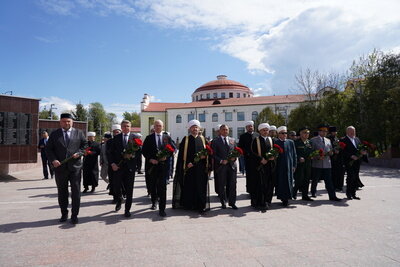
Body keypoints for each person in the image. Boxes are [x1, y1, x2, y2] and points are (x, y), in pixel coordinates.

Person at [46, 113, 87, 224]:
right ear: (60, 122)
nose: (66, 123)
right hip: (60, 168)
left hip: (75, 168)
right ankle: (64, 213)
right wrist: (53, 160)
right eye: (64, 121)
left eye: (68, 121)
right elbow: (48, 149)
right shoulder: (54, 134)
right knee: (62, 192)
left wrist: (79, 153)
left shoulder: (79, 133)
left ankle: (75, 215)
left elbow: (85, 146)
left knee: (76, 192)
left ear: (72, 122)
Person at [172, 120, 210, 213]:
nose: (195, 129)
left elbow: (208, 153)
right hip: (189, 168)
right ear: (189, 129)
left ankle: (201, 205)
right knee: (190, 186)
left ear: (199, 128)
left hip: (200, 168)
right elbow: (181, 155)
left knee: (200, 187)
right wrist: (187, 163)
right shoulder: (186, 139)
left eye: (196, 127)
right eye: (193, 127)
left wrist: (205, 157)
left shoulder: (203, 139)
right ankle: (189, 205)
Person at [142, 120, 175, 217]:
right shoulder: (149, 138)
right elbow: (144, 151)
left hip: (163, 166)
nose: (158, 127)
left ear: (163, 127)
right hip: (152, 166)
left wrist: (167, 156)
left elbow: (172, 150)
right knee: (152, 185)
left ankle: (162, 209)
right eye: (156, 126)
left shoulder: (167, 138)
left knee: (162, 187)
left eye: (159, 126)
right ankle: (154, 201)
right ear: (153, 127)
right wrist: (150, 159)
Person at [109, 120, 140, 217]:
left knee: (129, 189)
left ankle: (127, 209)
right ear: (121, 127)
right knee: (116, 187)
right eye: (124, 126)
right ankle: (119, 199)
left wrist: (132, 156)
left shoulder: (135, 138)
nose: (126, 128)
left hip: (130, 168)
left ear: (130, 127)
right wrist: (112, 163)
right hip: (118, 167)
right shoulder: (116, 138)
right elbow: (110, 153)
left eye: (127, 126)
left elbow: (139, 153)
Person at [310, 124, 341, 201]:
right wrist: (317, 156)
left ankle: (332, 196)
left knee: (329, 181)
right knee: (315, 179)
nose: (325, 133)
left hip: (327, 163)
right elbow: (311, 152)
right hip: (317, 163)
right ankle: (313, 192)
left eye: (326, 131)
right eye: (323, 131)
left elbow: (330, 151)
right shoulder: (313, 140)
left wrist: (332, 153)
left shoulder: (328, 140)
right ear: (319, 131)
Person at [212, 124, 239, 210]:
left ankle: (232, 203)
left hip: (232, 166)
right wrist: (221, 161)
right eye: (223, 130)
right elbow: (213, 154)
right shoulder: (215, 141)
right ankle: (223, 202)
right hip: (221, 166)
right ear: (220, 131)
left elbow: (236, 151)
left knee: (232, 185)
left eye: (226, 129)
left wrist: (235, 158)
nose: (225, 131)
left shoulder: (232, 140)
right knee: (222, 185)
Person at [251, 123, 276, 212]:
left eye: (267, 130)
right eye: (264, 130)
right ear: (260, 131)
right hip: (260, 166)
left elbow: (273, 151)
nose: (265, 132)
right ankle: (260, 202)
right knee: (261, 185)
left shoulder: (270, 139)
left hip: (270, 165)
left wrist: (273, 157)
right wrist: (260, 159)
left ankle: (268, 201)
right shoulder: (256, 140)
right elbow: (253, 153)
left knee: (270, 184)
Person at [341, 126, 367, 200]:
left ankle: (353, 193)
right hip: (349, 162)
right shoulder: (343, 140)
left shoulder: (357, 139)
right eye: (351, 131)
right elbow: (342, 152)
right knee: (350, 176)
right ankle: (348, 193)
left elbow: (360, 148)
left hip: (357, 161)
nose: (353, 133)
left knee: (355, 176)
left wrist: (363, 152)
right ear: (347, 132)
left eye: (354, 131)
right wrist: (351, 156)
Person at [274, 126, 297, 206]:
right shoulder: (275, 143)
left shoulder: (290, 142)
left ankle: (288, 197)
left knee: (289, 181)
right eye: (282, 133)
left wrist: (294, 165)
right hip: (280, 166)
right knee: (281, 182)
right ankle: (283, 198)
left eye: (286, 133)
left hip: (289, 166)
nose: (284, 135)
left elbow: (294, 154)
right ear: (278, 134)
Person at [293, 127, 313, 201]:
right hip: (299, 164)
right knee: (299, 179)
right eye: (305, 132)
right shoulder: (296, 142)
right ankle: (294, 192)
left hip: (308, 163)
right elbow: (294, 153)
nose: (306, 134)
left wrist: (313, 155)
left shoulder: (309, 142)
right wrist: (299, 158)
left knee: (307, 179)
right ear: (300, 133)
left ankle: (305, 195)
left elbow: (312, 151)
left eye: (307, 133)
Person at [238, 121, 259, 195]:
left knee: (257, 175)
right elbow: (240, 147)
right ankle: (250, 190)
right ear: (246, 128)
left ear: (253, 127)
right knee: (249, 175)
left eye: (251, 126)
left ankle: (257, 189)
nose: (250, 127)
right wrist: (246, 153)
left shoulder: (257, 135)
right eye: (248, 126)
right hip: (248, 159)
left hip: (257, 159)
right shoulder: (243, 136)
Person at [107, 125, 122, 203]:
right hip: (112, 165)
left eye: (117, 132)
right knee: (113, 182)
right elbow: (108, 153)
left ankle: (121, 195)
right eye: (114, 132)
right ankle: (115, 197)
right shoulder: (109, 141)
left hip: (121, 164)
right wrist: (112, 163)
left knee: (121, 182)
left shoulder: (123, 140)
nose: (116, 133)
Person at [328, 126, 345, 191]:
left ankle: (339, 185)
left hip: (338, 158)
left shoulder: (337, 138)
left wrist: (339, 150)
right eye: (333, 132)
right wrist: (334, 151)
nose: (335, 133)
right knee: (333, 173)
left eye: (335, 132)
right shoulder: (328, 139)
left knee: (339, 172)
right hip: (332, 158)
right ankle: (333, 186)